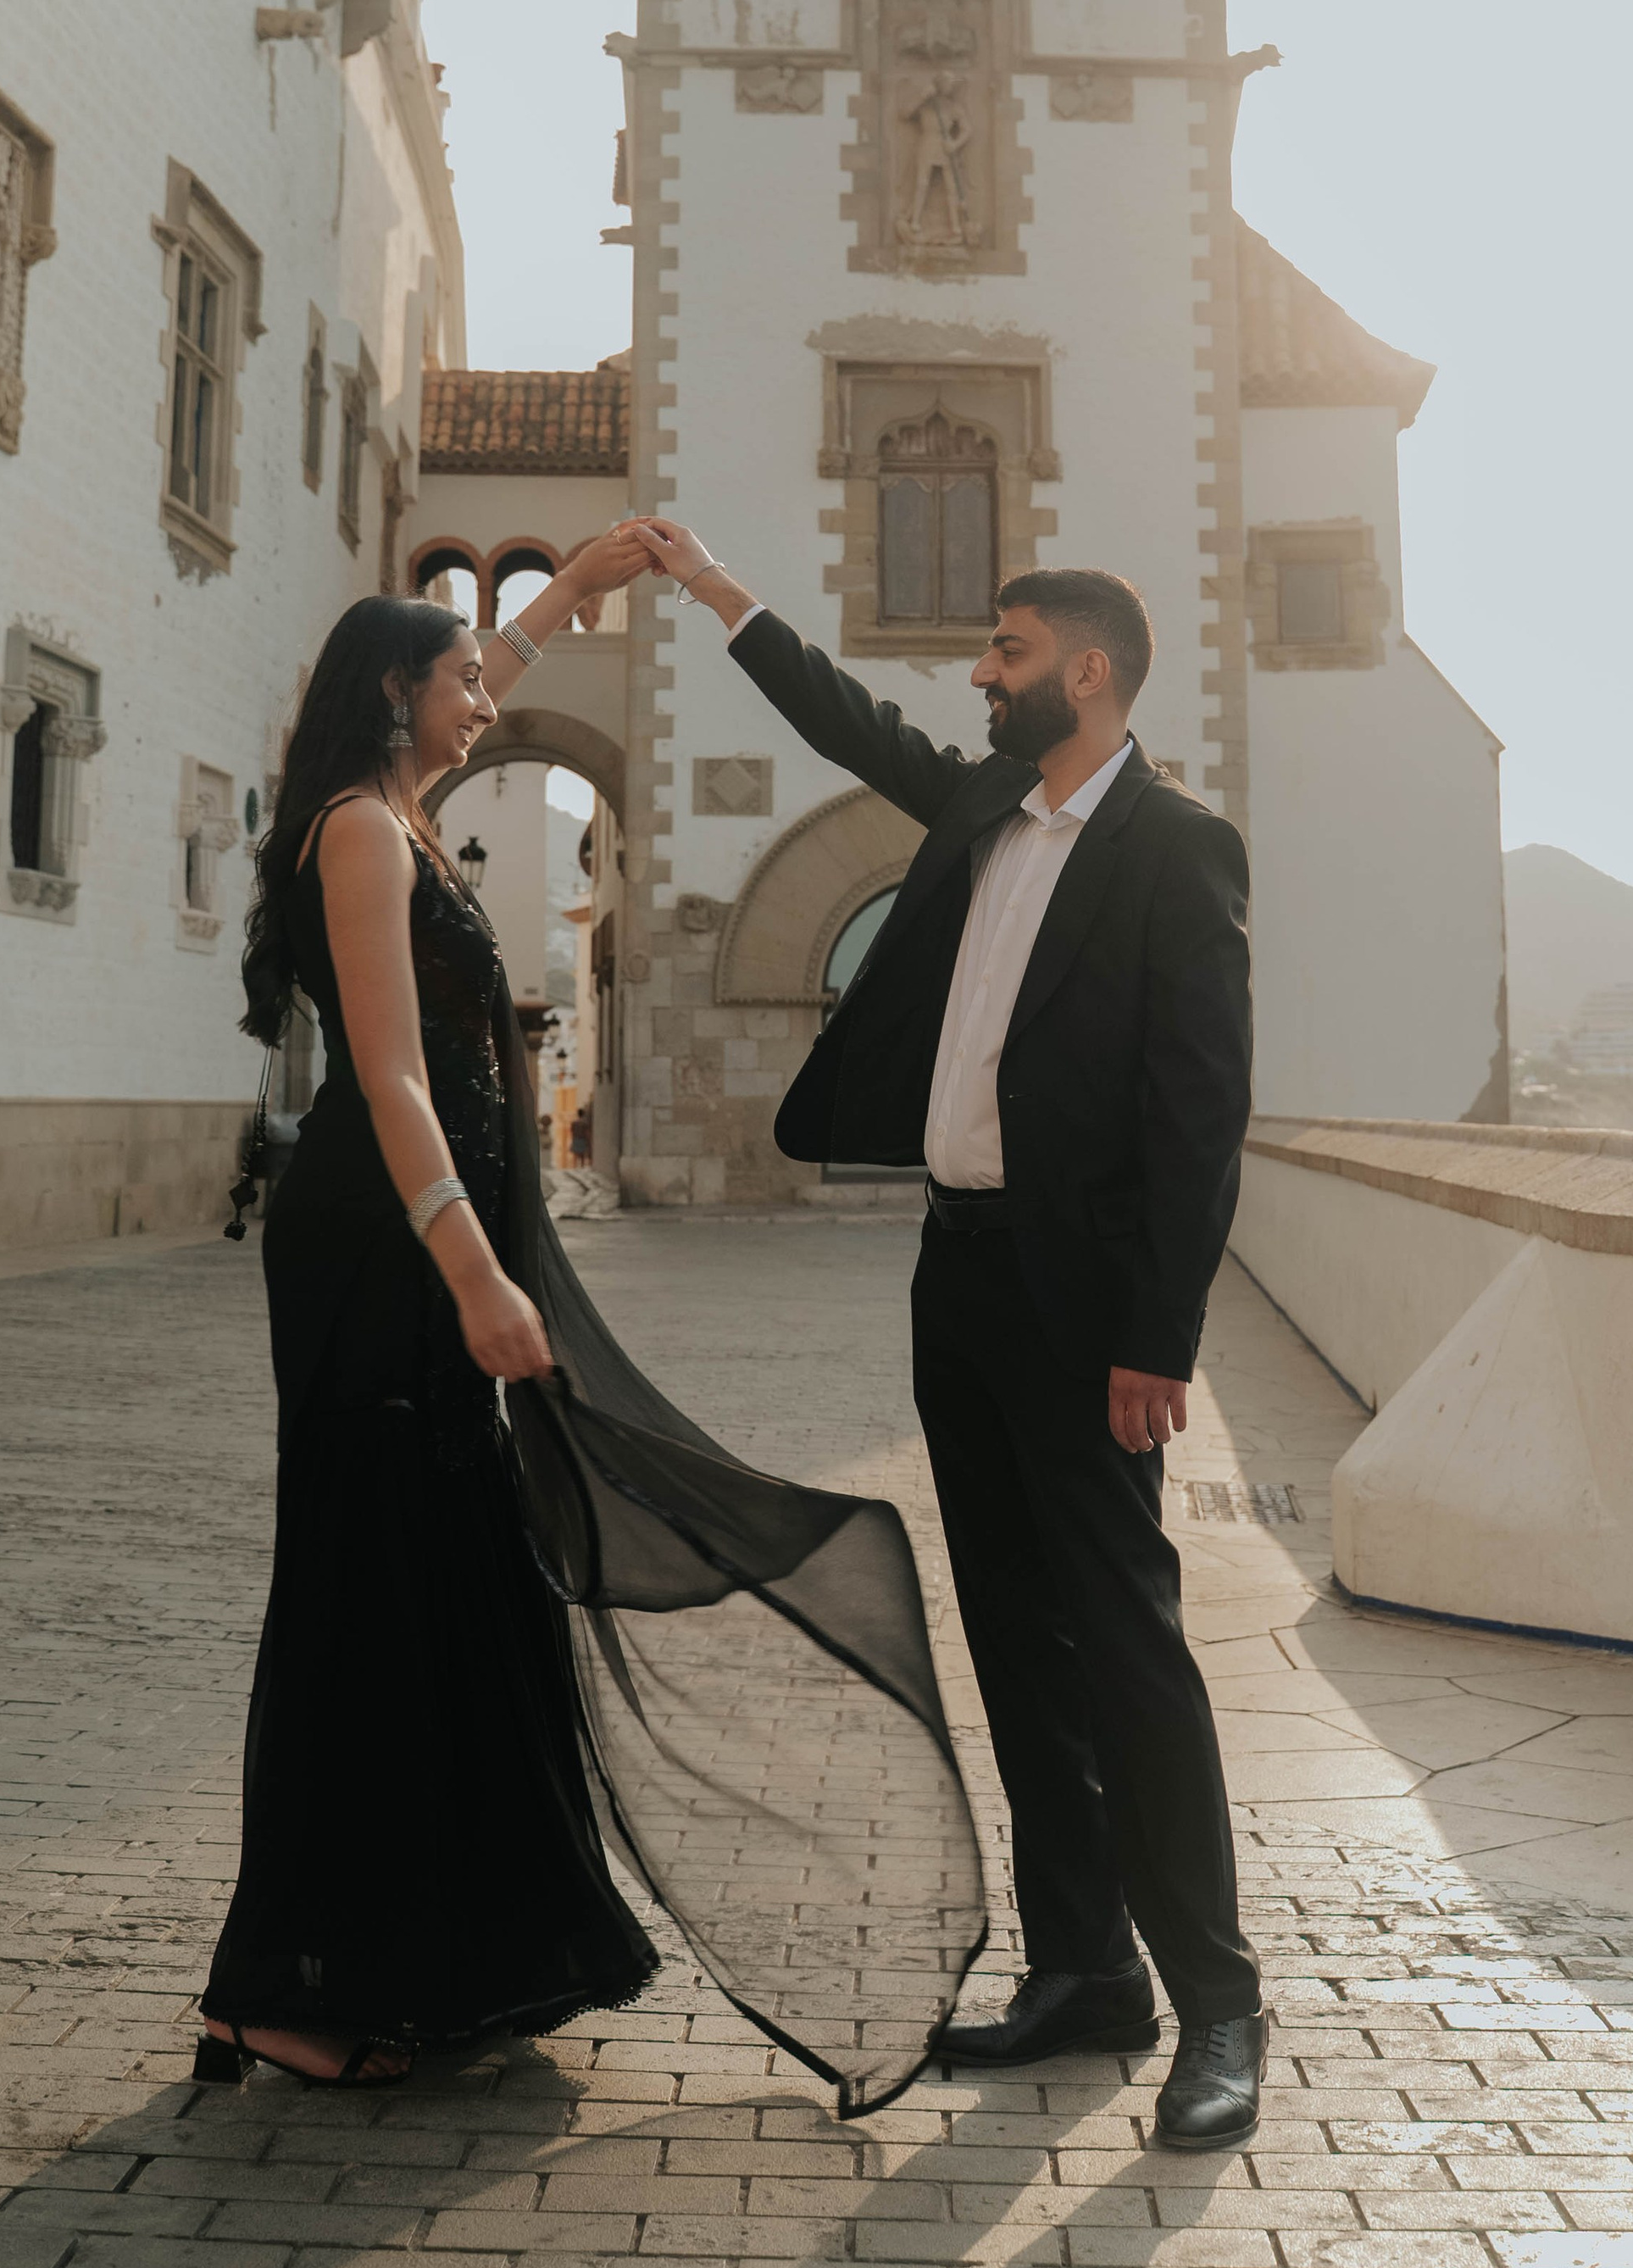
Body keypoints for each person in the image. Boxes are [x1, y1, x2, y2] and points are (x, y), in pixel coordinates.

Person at [627, 519, 1269, 2150]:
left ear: (1087, 672)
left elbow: (1201, 1116)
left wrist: (1158, 1338)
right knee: (1017, 1640)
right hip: (959, 1275)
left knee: (1125, 1644)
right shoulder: (987, 805)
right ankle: (1086, 1973)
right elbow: (850, 722)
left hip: (1086, 1304)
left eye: (1007, 653)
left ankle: (1221, 2003)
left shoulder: (1178, 848)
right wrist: (714, 589)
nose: (981, 676)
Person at [197, 538, 660, 2085]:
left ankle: (432, 1954)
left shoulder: (396, 806)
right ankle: (281, 1992)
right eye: (461, 680)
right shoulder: (358, 831)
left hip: (414, 1246)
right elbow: (392, 1077)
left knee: (439, 1576)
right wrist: (476, 1272)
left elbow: (487, 669)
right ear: (398, 694)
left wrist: (572, 585)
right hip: (384, 1257)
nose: (488, 701)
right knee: (367, 1587)